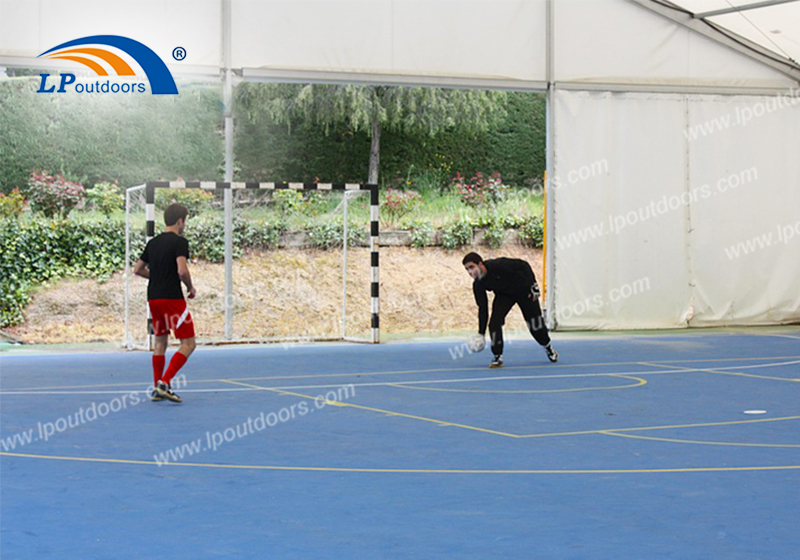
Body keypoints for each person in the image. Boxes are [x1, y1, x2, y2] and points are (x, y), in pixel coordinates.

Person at [134, 203, 196, 402]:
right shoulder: (180, 242)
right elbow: (182, 270)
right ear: (180, 221)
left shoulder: (153, 243)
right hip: (172, 298)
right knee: (188, 343)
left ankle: (156, 387)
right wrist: (190, 287)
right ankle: (165, 382)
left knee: (160, 342)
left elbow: (138, 269)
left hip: (153, 298)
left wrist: (157, 275)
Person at [462, 252, 557, 368]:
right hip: (504, 295)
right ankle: (497, 356)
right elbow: (483, 309)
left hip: (524, 291)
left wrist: (534, 286)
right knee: (494, 324)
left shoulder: (498, 265)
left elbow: (524, 265)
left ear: (480, 264)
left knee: (534, 325)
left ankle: (547, 346)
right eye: (467, 269)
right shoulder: (478, 284)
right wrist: (481, 333)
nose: (470, 272)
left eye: (471, 267)